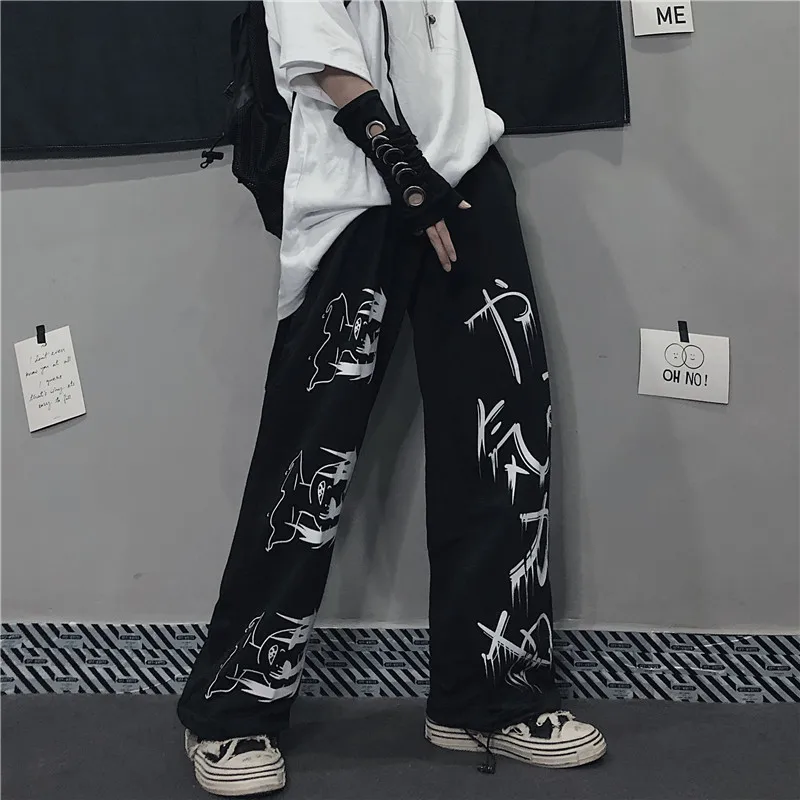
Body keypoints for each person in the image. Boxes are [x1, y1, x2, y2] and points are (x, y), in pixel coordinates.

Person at [178, 0, 607, 795]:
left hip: (462, 168)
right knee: (310, 453)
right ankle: (233, 707)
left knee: (502, 433)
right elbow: (310, 35)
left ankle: (490, 695)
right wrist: (399, 163)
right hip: (353, 182)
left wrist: (428, 168)